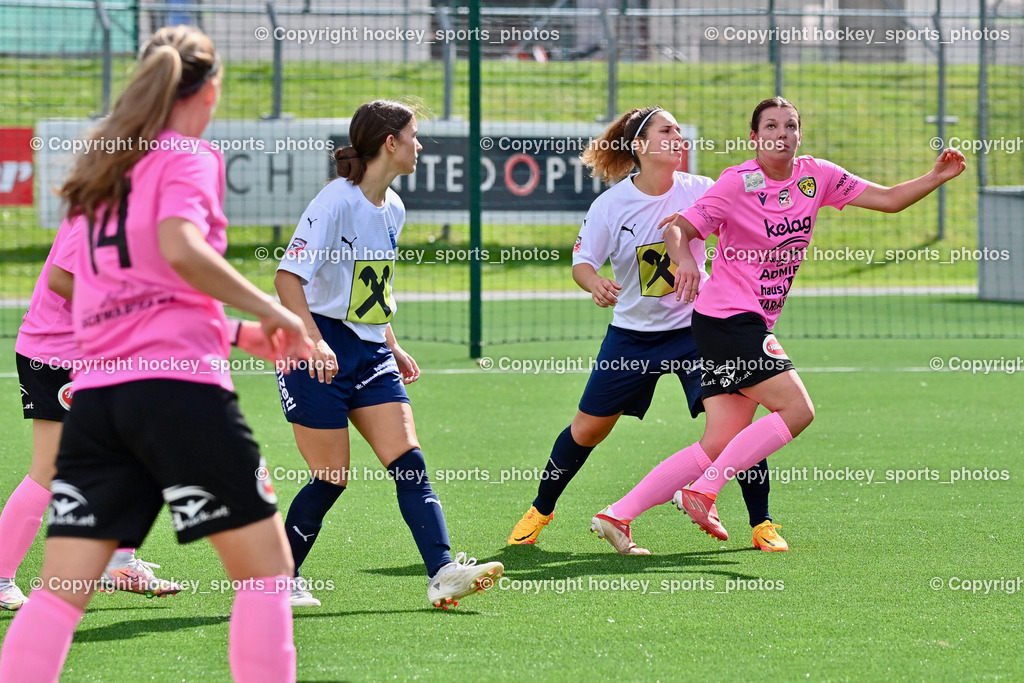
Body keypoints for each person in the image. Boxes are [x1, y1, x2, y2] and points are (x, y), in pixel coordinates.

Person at [0, 26, 312, 682]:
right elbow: (178, 248)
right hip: (180, 396)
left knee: (59, 591)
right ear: (212, 87)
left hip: (100, 401)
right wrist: (270, 308)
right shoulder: (187, 156)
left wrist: (227, 332)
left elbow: (112, 296)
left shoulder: (101, 169)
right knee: (266, 571)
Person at [602, 96, 966, 543]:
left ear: (799, 135)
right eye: (771, 126)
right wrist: (687, 263)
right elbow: (677, 229)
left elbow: (889, 200)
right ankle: (705, 491)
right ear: (754, 138)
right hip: (729, 321)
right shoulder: (737, 183)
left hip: (737, 325)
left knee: (718, 442)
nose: (781, 133)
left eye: (790, 126)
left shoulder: (818, 175)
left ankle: (618, 514)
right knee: (797, 409)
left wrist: (935, 176)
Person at [507, 106, 787, 554]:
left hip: (700, 331)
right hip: (632, 337)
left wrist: (778, 170)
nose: (678, 137)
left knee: (737, 420)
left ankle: (762, 523)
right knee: (588, 430)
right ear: (640, 146)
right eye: (667, 130)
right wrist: (594, 281)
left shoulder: (701, 189)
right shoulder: (610, 204)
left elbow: (754, 189)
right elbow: (581, 263)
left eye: (680, 130)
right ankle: (540, 510)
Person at [274, 99, 503, 609]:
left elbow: (371, 289)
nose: (420, 145)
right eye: (414, 136)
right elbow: (287, 279)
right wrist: (312, 341)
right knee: (331, 477)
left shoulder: (394, 207)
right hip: (313, 348)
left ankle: (443, 572)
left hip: (369, 350)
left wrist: (392, 345)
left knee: (409, 463)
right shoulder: (335, 201)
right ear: (390, 143)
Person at [1, 216, 182, 612]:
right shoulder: (101, 205)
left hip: (99, 352)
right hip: (56, 355)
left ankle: (117, 562)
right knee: (49, 469)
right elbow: (62, 279)